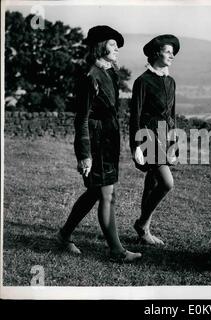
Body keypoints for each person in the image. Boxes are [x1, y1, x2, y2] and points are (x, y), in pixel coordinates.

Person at [56, 25, 141, 262]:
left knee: (95, 192)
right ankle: (116, 251)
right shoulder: (90, 76)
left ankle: (64, 235)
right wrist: (85, 154)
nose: (117, 50)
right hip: (96, 145)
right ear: (101, 47)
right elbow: (81, 118)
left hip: (109, 142)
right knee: (106, 194)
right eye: (113, 45)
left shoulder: (110, 72)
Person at [129, 34, 180, 245]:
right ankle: (141, 224)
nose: (172, 56)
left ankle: (144, 231)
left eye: (173, 53)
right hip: (148, 136)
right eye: (168, 51)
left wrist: (174, 144)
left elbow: (172, 115)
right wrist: (136, 147)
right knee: (167, 183)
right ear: (156, 53)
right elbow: (135, 116)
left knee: (152, 183)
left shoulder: (171, 81)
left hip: (165, 136)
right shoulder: (142, 81)